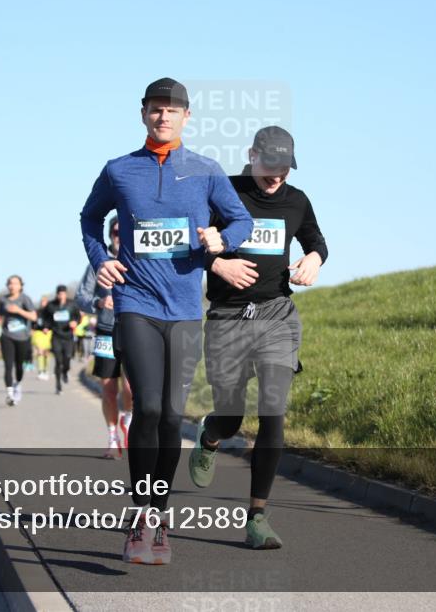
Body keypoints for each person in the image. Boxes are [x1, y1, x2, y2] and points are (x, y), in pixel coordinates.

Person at [80, 78, 252, 565]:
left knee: (174, 418)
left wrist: (221, 239)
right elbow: (90, 219)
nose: (164, 118)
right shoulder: (119, 170)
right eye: (156, 110)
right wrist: (100, 260)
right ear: (143, 114)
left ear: (186, 118)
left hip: (184, 310)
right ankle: (141, 515)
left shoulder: (205, 171)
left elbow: (239, 221)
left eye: (172, 111)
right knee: (150, 409)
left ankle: (158, 514)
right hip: (135, 303)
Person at [188, 126, 327, 550]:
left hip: (276, 316)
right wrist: (218, 265)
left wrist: (315, 259)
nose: (277, 175)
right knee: (231, 416)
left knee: (273, 410)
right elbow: (191, 244)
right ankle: (211, 435)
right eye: (270, 165)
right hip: (229, 317)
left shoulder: (297, 201)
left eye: (285, 166)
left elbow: (316, 240)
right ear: (252, 155)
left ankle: (257, 517)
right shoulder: (223, 192)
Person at [75, 215, 133, 459]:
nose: (119, 237)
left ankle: (128, 421)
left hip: (134, 331)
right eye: (116, 232)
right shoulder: (97, 264)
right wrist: (99, 301)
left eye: (123, 232)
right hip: (106, 332)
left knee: (132, 389)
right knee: (108, 389)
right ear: (110, 235)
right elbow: (81, 296)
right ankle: (112, 438)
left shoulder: (137, 259)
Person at [0, 275, 37, 406]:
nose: (12, 286)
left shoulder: (25, 299)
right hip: (7, 336)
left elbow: (33, 317)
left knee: (19, 365)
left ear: (20, 285)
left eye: (15, 283)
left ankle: (17, 384)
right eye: (10, 283)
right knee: (8, 365)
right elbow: (0, 316)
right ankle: (10, 395)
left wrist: (19, 310)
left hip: (23, 337)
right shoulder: (3, 300)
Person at [41, 285, 80, 395]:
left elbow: (78, 317)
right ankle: (58, 386)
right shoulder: (51, 305)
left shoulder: (72, 304)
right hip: (56, 336)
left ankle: (65, 371)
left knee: (67, 358)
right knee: (58, 361)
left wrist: (75, 322)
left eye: (63, 294)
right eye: (59, 294)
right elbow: (45, 318)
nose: (61, 296)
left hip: (68, 336)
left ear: (66, 294)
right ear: (57, 294)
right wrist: (45, 327)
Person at [31, 296, 51, 380]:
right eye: (42, 302)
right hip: (38, 333)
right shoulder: (37, 312)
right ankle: (40, 371)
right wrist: (31, 329)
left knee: (46, 353)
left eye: (45, 302)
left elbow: (54, 322)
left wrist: (48, 327)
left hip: (48, 333)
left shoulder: (51, 312)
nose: (44, 303)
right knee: (40, 351)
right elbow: (32, 321)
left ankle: (46, 370)